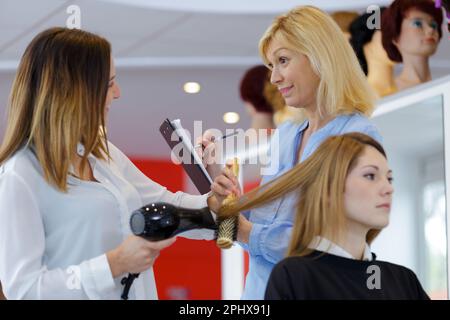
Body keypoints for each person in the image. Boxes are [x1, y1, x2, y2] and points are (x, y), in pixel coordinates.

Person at [0, 27, 235, 300]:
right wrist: (114, 263)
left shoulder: (103, 154)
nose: (118, 93)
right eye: (110, 83)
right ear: (76, 90)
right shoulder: (20, 175)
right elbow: (24, 289)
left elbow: (169, 207)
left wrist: (216, 203)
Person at [204, 6, 383, 299]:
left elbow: (329, 245)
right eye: (271, 65)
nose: (273, 78)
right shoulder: (286, 135)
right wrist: (219, 182)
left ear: (319, 57)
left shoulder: (357, 136)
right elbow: (253, 229)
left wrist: (245, 230)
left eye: (282, 61)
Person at [219, 133, 429, 300]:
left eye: (389, 178)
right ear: (329, 189)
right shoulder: (295, 277)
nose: (388, 188)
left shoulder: (403, 281)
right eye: (370, 176)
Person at [382, 0, 443, 91]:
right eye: (417, 24)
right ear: (396, 36)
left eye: (433, 25)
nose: (430, 30)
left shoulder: (443, 86)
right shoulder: (388, 94)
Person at [349, 9, 398, 97]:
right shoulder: (361, 97)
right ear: (367, 43)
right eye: (388, 34)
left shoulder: (411, 88)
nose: (397, 40)